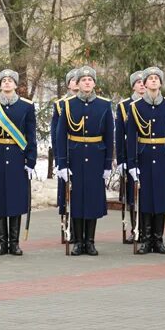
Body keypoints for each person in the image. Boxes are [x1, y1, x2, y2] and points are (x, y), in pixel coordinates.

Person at [55, 66, 113, 256]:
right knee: (77, 199)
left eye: (90, 80)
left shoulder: (104, 105)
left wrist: (107, 164)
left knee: (93, 200)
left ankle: (90, 241)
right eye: (83, 80)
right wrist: (62, 163)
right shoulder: (68, 105)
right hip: (75, 156)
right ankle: (78, 241)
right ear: (77, 84)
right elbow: (61, 135)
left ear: (94, 83)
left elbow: (109, 136)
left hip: (96, 157)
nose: (87, 82)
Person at [0, 69, 37, 256]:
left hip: (17, 157)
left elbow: (31, 136)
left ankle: (15, 243)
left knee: (15, 200)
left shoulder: (26, 107)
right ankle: (2, 243)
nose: (6, 83)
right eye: (3, 80)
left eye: (10, 80)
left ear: (15, 84)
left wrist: (31, 160)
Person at [125, 67, 165, 254]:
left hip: (164, 157)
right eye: (150, 78)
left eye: (157, 78)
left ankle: (159, 239)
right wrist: (132, 163)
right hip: (144, 156)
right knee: (146, 199)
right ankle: (147, 239)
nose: (154, 81)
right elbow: (131, 138)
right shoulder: (135, 107)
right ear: (145, 83)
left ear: (161, 83)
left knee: (161, 200)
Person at [115, 70, 145, 244]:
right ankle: (135, 229)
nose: (141, 84)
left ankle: (146, 229)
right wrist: (121, 160)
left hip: (148, 153)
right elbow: (120, 135)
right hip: (130, 154)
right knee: (132, 195)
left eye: (143, 82)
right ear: (133, 85)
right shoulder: (124, 106)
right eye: (138, 82)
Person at [51, 69, 80, 234]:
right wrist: (58, 159)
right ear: (68, 83)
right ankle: (66, 224)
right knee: (66, 191)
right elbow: (55, 135)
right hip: (66, 152)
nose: (76, 82)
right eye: (73, 80)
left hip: (82, 152)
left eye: (79, 79)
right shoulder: (60, 104)